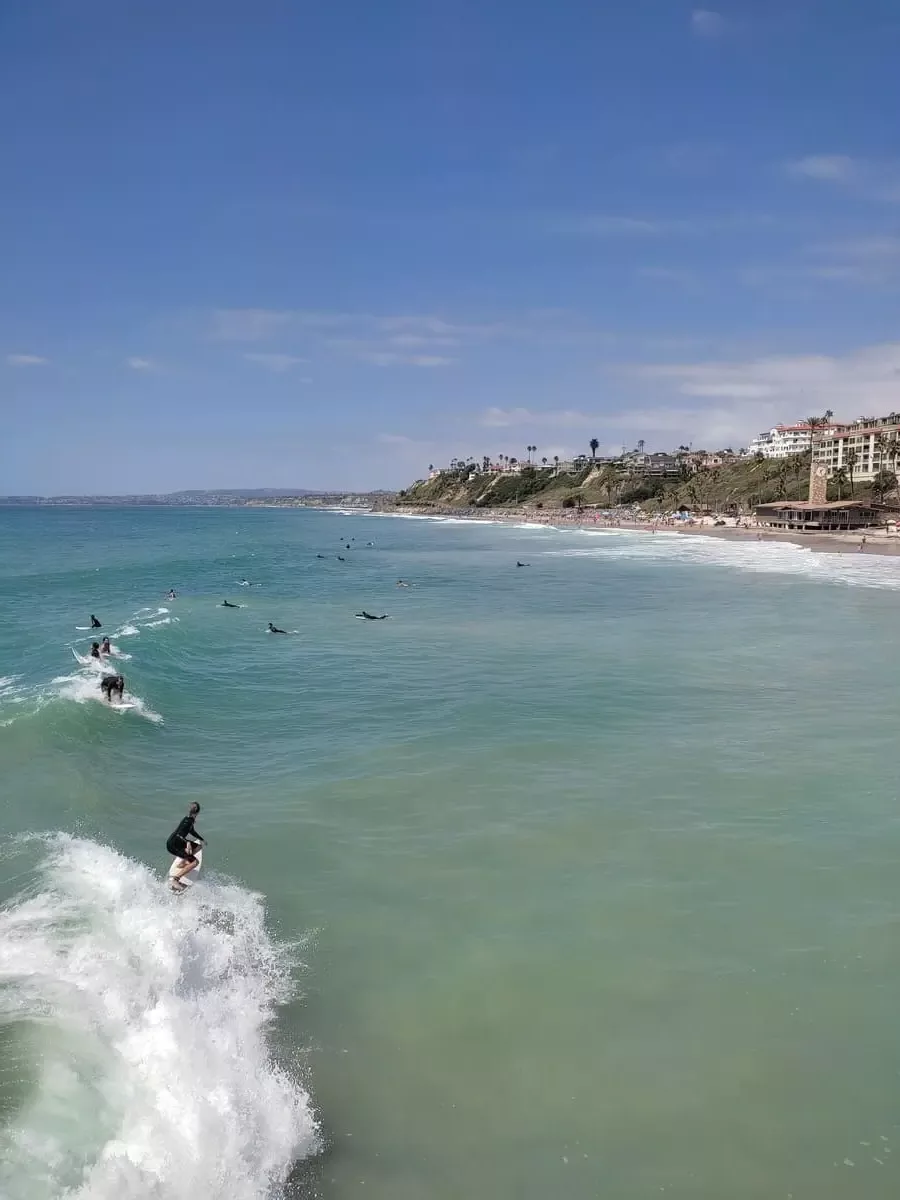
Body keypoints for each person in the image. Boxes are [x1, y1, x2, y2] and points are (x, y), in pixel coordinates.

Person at [166, 801, 205, 888]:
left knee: (199, 846)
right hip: (173, 845)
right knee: (195, 862)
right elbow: (178, 835)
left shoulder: (189, 820)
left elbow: (191, 831)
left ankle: (183, 863)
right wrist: (187, 842)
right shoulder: (187, 822)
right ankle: (175, 879)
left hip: (178, 842)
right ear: (197, 812)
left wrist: (201, 839)